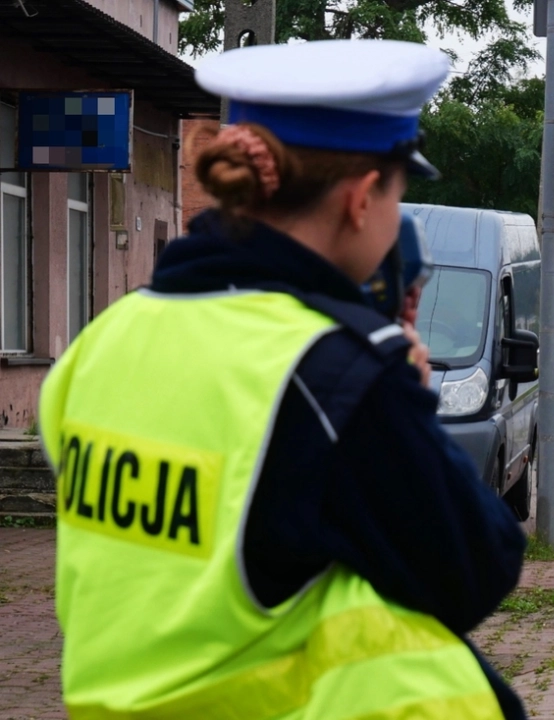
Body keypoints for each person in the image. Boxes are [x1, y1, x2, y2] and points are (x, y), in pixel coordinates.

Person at [38, 39, 526, 719]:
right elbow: (475, 568)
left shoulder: (105, 340)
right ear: (361, 199)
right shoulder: (332, 371)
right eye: (399, 197)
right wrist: (404, 394)